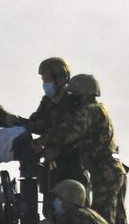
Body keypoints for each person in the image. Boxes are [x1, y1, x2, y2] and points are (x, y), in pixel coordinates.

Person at [35, 73, 128, 224]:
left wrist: (41, 141)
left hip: (105, 172)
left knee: (103, 222)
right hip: (113, 170)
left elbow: (69, 132)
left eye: (73, 95)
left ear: (83, 95)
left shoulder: (90, 111)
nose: (71, 98)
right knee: (118, 223)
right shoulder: (100, 110)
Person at [24, 57, 89, 196]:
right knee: (51, 207)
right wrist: (19, 123)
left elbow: (73, 132)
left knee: (73, 203)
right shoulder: (47, 101)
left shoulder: (75, 102)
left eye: (46, 79)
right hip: (52, 164)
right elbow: (37, 123)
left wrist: (52, 146)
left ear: (59, 78)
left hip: (74, 163)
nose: (44, 83)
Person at [41, 179, 115, 224]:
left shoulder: (80, 214)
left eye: (60, 198)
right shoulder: (81, 213)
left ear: (68, 200)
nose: (55, 201)